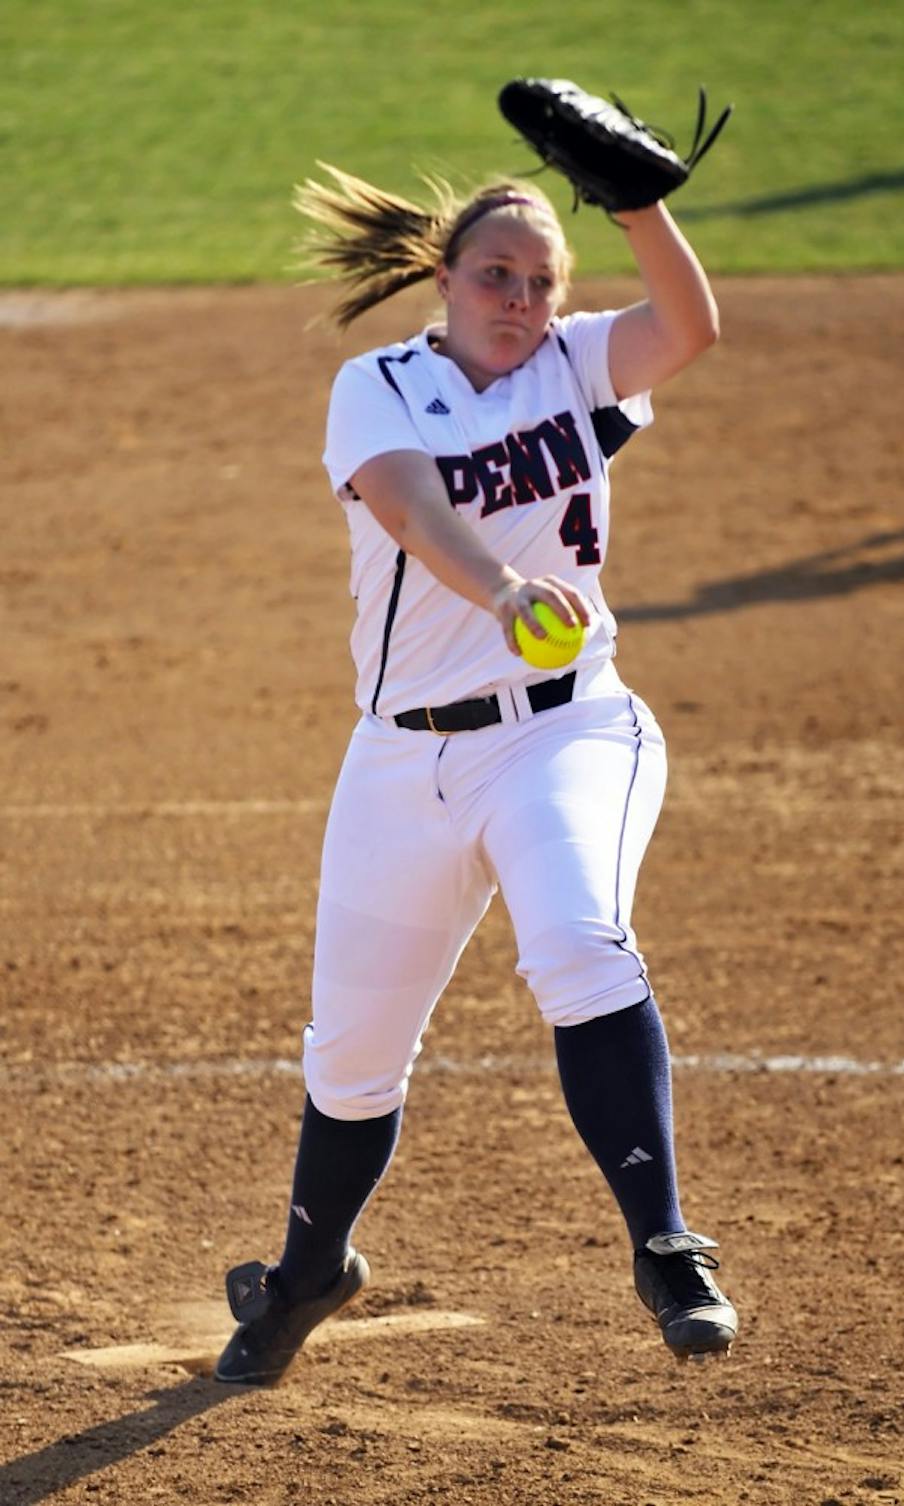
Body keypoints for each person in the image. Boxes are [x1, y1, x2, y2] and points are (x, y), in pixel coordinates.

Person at [214, 157, 738, 1387]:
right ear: (443, 280)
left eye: (539, 282)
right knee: (350, 1059)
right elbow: (404, 506)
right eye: (494, 275)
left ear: (560, 298)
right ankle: (309, 1273)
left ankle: (665, 1241)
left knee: (578, 944)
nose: (516, 298)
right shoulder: (377, 385)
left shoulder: (578, 363)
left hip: (567, 734)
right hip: (402, 761)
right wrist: (502, 588)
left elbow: (691, 326)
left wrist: (639, 207)